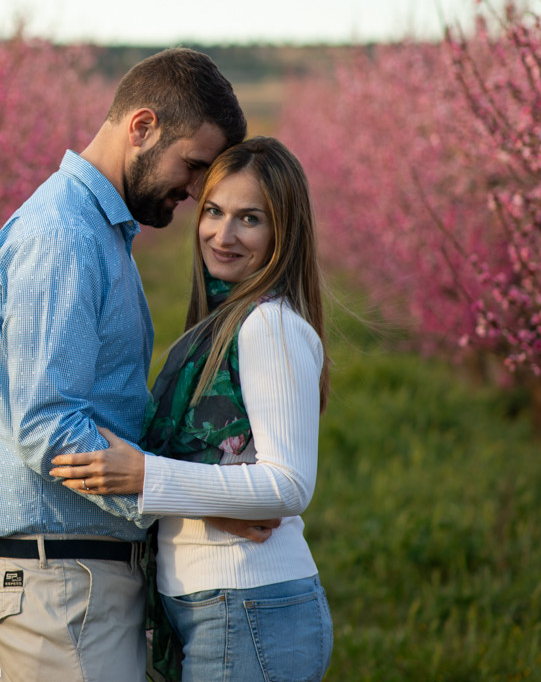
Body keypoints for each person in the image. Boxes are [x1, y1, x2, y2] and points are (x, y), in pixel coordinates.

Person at [0, 47, 258, 682]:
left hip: (70, 572)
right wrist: (190, 498)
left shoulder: (99, 233)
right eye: (194, 165)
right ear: (142, 127)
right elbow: (50, 428)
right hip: (54, 575)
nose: (197, 191)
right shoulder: (63, 237)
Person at [50, 136, 333, 682]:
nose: (223, 236)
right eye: (213, 212)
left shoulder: (269, 326)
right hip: (218, 606)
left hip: (250, 602)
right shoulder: (218, 326)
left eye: (249, 218)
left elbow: (289, 485)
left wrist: (144, 474)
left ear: (283, 232)